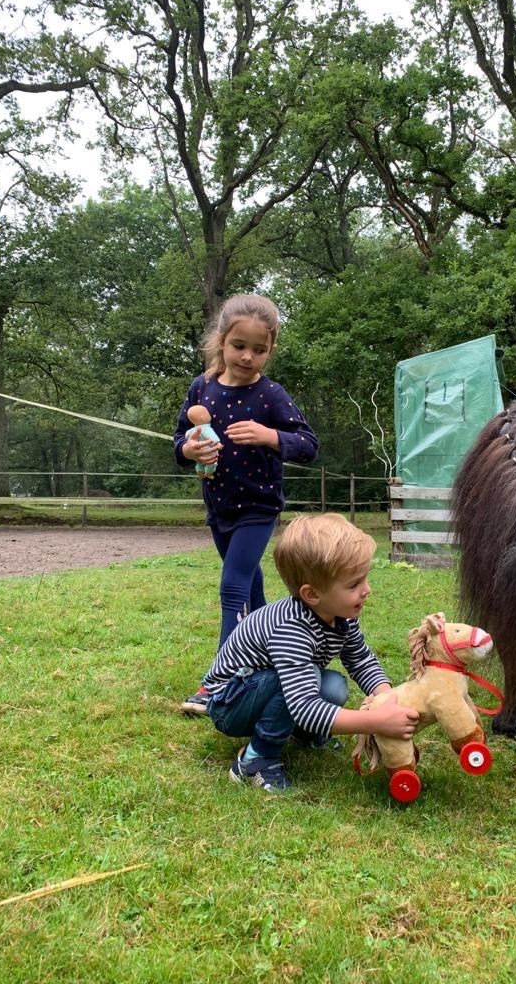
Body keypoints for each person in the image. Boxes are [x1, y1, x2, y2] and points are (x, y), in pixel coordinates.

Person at [174, 294, 319, 716]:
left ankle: (217, 683)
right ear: (222, 341)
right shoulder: (202, 387)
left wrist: (270, 436)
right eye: (240, 346)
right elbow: (179, 440)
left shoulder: (271, 395)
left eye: (259, 349)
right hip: (219, 507)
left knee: (233, 587)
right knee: (252, 594)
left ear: (270, 350)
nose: (248, 356)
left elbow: (308, 445)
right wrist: (190, 450)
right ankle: (271, 662)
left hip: (258, 507)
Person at [202, 513, 420, 792]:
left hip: (258, 689)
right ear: (312, 594)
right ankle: (255, 759)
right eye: (354, 584)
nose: (367, 590)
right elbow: (303, 705)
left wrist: (386, 697)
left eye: (365, 579)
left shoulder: (342, 616)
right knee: (301, 682)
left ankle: (304, 733)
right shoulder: (291, 629)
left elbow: (360, 659)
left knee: (333, 685)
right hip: (228, 703)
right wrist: (375, 721)